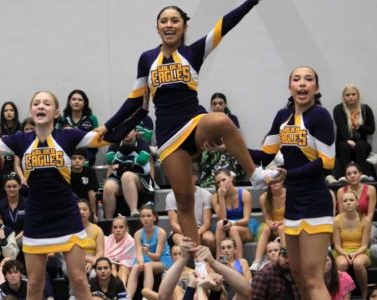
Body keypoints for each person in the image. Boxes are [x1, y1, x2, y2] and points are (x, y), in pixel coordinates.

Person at [99, 0, 271, 247]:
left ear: (184, 26)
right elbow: (134, 101)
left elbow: (224, 25)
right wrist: (107, 127)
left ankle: (255, 174)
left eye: (175, 20)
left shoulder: (194, 52)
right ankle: (197, 261)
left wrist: (251, 2)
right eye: (164, 21)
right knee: (184, 199)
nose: (169, 25)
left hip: (195, 121)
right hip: (169, 135)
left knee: (222, 120)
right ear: (157, 27)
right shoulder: (147, 59)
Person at [0, 90, 144, 299]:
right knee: (35, 284)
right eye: (37, 103)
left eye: (47, 103)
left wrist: (141, 111)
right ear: (31, 110)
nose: (41, 106)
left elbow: (108, 136)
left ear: (56, 112)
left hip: (66, 215)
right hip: (37, 218)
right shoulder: (20, 140)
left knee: (79, 279)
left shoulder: (68, 136)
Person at [250, 66, 336, 299]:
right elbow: (265, 155)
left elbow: (327, 162)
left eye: (308, 79)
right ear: (290, 86)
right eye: (296, 79)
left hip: (315, 201)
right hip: (293, 204)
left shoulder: (320, 115)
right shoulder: (282, 117)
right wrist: (230, 146)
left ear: (316, 88)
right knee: (298, 276)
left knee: (313, 278)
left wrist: (289, 174)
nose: (302, 83)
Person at [103, 129, 155, 218]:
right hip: (119, 176)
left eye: (129, 129)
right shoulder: (115, 143)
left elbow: (142, 160)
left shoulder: (142, 143)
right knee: (108, 186)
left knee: (127, 176)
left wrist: (120, 164)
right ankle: (108, 220)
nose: (126, 132)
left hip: (140, 176)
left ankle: (134, 211)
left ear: (135, 132)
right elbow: (109, 158)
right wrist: (131, 162)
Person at [198, 92, 245, 187]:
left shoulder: (232, 118)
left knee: (230, 156)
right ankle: (210, 182)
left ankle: (227, 180)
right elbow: (202, 140)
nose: (217, 106)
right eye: (214, 104)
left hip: (229, 150)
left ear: (225, 105)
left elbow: (237, 141)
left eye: (220, 103)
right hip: (211, 151)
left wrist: (221, 147)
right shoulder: (207, 118)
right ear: (211, 106)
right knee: (205, 156)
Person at [126, 203, 171, 299]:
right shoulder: (138, 233)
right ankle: (128, 297)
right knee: (135, 267)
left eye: (148, 216)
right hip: (145, 259)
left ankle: (147, 296)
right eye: (143, 216)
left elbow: (158, 256)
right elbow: (138, 252)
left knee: (148, 266)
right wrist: (140, 262)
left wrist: (147, 253)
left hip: (161, 260)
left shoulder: (161, 232)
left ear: (154, 218)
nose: (145, 218)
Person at [332, 190, 371, 299]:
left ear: (357, 202)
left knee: (358, 263)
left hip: (361, 251)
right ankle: (342, 296)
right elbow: (337, 245)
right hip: (341, 251)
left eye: (351, 200)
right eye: (345, 201)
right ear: (342, 204)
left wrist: (354, 254)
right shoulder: (336, 220)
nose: (348, 202)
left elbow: (364, 245)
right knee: (341, 264)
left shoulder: (366, 220)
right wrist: (345, 254)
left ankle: (364, 293)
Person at [166, 162, 213, 250]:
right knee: (180, 240)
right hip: (180, 231)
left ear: (195, 176)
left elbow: (206, 223)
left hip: (200, 229)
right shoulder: (171, 196)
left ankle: (208, 263)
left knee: (209, 239)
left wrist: (196, 233)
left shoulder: (206, 194)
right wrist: (189, 233)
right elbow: (174, 224)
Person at [332, 84, 375, 179]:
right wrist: (348, 139)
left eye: (353, 94)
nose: (351, 97)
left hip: (361, 141)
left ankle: (362, 175)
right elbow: (341, 127)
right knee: (344, 146)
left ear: (358, 95)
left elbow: (371, 129)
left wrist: (359, 127)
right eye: (347, 95)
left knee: (361, 146)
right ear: (343, 97)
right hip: (343, 141)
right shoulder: (338, 109)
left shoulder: (365, 109)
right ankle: (344, 176)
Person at [211, 168, 255, 259]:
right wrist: (221, 197)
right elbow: (222, 218)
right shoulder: (215, 197)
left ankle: (239, 263)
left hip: (242, 227)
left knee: (233, 229)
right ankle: (220, 260)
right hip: (224, 228)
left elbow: (246, 220)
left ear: (230, 178)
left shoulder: (245, 194)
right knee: (220, 223)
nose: (221, 184)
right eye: (218, 182)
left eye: (223, 180)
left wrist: (232, 223)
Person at [57, 89, 99, 166]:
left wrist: (75, 132)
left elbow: (96, 139)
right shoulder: (63, 119)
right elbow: (58, 139)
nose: (76, 102)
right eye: (73, 99)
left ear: (84, 103)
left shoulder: (92, 119)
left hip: (87, 154)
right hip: (67, 153)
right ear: (69, 102)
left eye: (80, 100)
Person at [251, 179, 286, 271]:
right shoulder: (264, 197)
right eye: (272, 181)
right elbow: (267, 218)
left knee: (281, 229)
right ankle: (257, 262)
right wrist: (271, 224)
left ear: (282, 180)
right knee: (265, 228)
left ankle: (284, 257)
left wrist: (279, 223)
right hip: (273, 226)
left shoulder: (290, 195)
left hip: (286, 225)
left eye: (277, 180)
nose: (274, 183)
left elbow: (293, 216)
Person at [0, 175, 27, 245]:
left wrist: (15, 239)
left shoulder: (28, 203)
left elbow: (30, 225)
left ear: (20, 186)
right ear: (4, 188)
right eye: (8, 187)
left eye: (15, 186)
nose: (12, 189)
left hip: (24, 237)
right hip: (5, 237)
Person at [104, 216, 135, 286]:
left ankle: (122, 290)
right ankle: (111, 289)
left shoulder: (131, 241)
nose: (118, 230)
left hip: (125, 265)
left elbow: (131, 258)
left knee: (123, 268)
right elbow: (106, 255)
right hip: (111, 262)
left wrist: (118, 261)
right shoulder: (107, 239)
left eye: (121, 227)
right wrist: (114, 261)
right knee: (112, 266)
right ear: (112, 229)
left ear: (126, 229)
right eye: (115, 227)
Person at [70, 149, 99, 222]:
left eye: (80, 158)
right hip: (71, 205)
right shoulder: (66, 172)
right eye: (74, 158)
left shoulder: (90, 172)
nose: (77, 160)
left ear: (85, 160)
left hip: (86, 205)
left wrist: (93, 214)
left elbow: (91, 193)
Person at [77, 200, 104, 276]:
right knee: (73, 272)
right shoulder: (71, 230)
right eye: (78, 209)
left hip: (93, 260)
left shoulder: (98, 230)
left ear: (89, 213)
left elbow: (100, 252)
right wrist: (89, 260)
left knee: (93, 274)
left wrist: (91, 263)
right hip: (75, 261)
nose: (81, 212)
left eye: (85, 209)